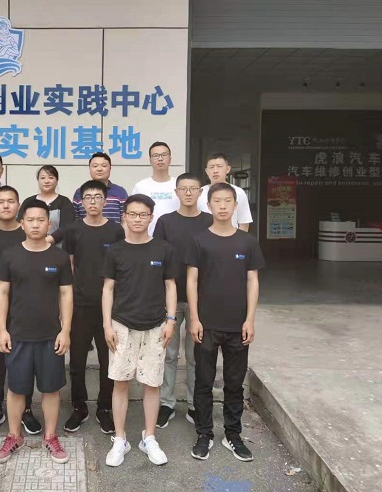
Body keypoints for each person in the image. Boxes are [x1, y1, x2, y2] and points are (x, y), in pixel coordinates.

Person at [186, 182, 265, 462]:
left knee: (234, 383)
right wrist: (194, 318)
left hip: (237, 325)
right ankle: (204, 434)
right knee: (203, 382)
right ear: (208, 205)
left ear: (235, 205)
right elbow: (191, 280)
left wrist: (250, 319)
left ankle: (233, 434)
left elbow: (253, 281)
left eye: (227, 201)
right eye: (217, 201)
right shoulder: (199, 240)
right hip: (206, 324)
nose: (222, 206)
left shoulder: (247, 242)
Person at [0, 200, 73, 465]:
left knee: (51, 389)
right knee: (16, 389)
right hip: (18, 335)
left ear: (49, 224)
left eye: (41, 220)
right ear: (22, 224)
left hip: (50, 335)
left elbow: (66, 295)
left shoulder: (59, 257)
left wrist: (65, 330)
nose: (36, 225)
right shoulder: (10, 255)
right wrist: (2, 330)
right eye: (30, 220)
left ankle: (50, 437)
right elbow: (2, 294)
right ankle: (14, 436)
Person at [102, 194, 177, 468]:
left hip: (156, 325)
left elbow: (170, 285)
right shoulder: (115, 250)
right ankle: (120, 439)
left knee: (152, 384)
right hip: (122, 325)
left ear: (151, 217)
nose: (137, 219)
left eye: (143, 214)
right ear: (124, 216)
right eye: (132, 214)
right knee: (120, 383)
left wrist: (171, 320)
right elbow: (108, 288)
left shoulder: (163, 249)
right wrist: (107, 324)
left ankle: (149, 437)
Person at [50, 180, 124, 435]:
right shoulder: (73, 230)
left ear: (105, 201)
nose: (93, 201)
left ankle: (104, 408)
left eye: (97, 197)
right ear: (81, 202)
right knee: (77, 361)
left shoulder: (116, 230)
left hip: (109, 308)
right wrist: (66, 307)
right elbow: (69, 267)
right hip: (80, 305)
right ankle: (79, 407)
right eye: (88, 197)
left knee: (108, 361)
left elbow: (120, 268)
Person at [0, 186, 42, 437]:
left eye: (11, 201)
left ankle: (26, 410)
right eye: (1, 201)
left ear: (18, 206)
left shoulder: (29, 235)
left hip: (26, 312)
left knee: (26, 365)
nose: (6, 205)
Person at [153, 172, 213, 429]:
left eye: (193, 188)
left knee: (196, 355)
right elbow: (156, 256)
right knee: (168, 353)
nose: (188, 193)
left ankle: (193, 404)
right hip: (171, 298)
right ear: (176, 192)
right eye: (183, 189)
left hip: (201, 298)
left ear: (200, 192)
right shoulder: (165, 222)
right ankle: (166, 403)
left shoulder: (210, 221)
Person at [131, 142, 179, 236]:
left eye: (164, 155)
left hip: (175, 237)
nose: (160, 159)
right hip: (147, 238)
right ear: (150, 160)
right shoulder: (140, 186)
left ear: (170, 159)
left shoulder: (179, 185)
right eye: (155, 155)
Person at [196, 153, 252, 231]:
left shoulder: (238, 192)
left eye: (219, 166)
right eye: (211, 167)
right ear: (206, 171)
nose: (215, 171)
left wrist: (238, 239)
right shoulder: (199, 193)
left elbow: (244, 223)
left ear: (228, 169)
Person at [72, 152, 128, 224]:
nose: (99, 169)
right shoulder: (79, 192)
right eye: (95, 166)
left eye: (104, 166)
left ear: (110, 168)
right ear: (89, 169)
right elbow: (75, 220)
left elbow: (125, 220)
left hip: (114, 231)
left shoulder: (120, 192)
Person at [18, 165, 74, 236]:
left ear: (57, 180)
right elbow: (20, 224)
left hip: (58, 242)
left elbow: (67, 227)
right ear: (38, 180)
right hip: (31, 241)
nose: (46, 181)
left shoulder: (64, 202)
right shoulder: (28, 201)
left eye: (51, 178)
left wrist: (49, 239)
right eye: (42, 178)